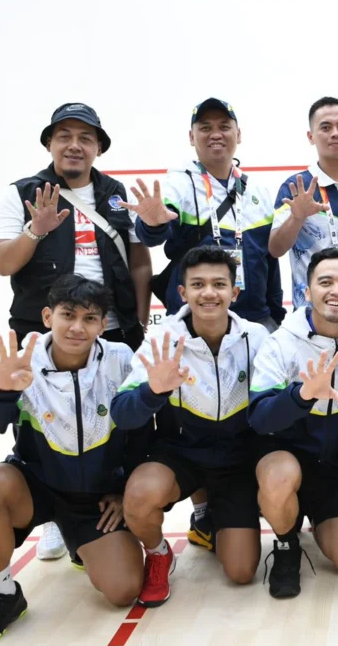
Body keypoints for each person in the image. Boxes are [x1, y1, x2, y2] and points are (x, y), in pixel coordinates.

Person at [0, 102, 152, 561]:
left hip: (113, 329)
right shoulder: (21, 193)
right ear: (49, 144)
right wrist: (35, 232)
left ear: (98, 147)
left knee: (114, 425)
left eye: (85, 137)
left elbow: (139, 261)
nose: (74, 145)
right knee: (42, 424)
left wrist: (136, 321)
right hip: (43, 335)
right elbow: (2, 262)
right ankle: (55, 517)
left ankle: (107, 508)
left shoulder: (117, 194)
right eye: (64, 136)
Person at [0, 275, 149, 645]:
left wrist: (126, 488)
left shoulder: (122, 360)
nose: (78, 327)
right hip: (37, 487)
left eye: (90, 318)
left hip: (96, 501)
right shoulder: (24, 360)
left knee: (123, 590)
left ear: (102, 323)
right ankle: (3, 594)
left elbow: (143, 433)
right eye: (68, 315)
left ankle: (79, 541)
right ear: (48, 316)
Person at [113, 247, 272, 606]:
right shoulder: (161, 340)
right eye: (198, 284)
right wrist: (154, 391)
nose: (209, 293)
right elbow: (122, 413)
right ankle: (158, 554)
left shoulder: (257, 337)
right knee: (139, 495)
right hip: (178, 455)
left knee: (242, 571)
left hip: (235, 462)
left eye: (219, 284)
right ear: (182, 293)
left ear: (235, 292)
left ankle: (209, 516)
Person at [247, 248, 338, 598]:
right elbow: (260, 419)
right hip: (284, 455)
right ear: (306, 291)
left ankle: (306, 514)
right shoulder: (278, 343)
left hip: (334, 464)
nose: (336, 291)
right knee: (280, 478)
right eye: (325, 282)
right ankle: (285, 543)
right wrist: (302, 396)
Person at [123, 97, 284, 331]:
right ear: (191, 137)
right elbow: (152, 235)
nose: (215, 134)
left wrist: (275, 316)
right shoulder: (178, 183)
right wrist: (152, 224)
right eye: (205, 128)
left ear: (238, 134)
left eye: (224, 127)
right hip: (193, 323)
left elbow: (269, 259)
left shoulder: (257, 190)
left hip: (254, 321)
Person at [269, 96, 338, 324]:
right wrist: (296, 217)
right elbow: (275, 248)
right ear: (311, 137)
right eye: (326, 128)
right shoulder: (295, 187)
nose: (335, 133)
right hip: (310, 319)